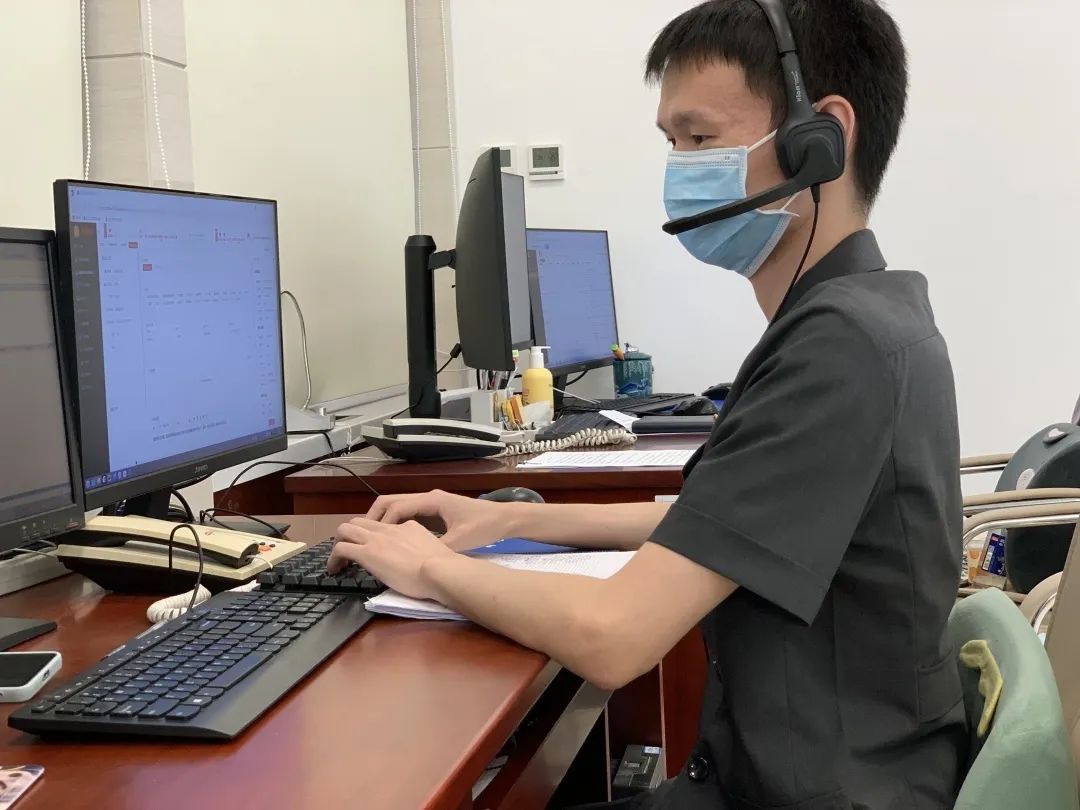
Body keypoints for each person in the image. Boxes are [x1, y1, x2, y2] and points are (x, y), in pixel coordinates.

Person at [330, 0, 968, 806]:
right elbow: (718, 524)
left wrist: (428, 566)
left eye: (700, 139)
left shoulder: (839, 348)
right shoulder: (869, 315)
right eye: (670, 142)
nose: (678, 169)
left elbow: (614, 637)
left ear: (822, 140)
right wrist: (506, 521)